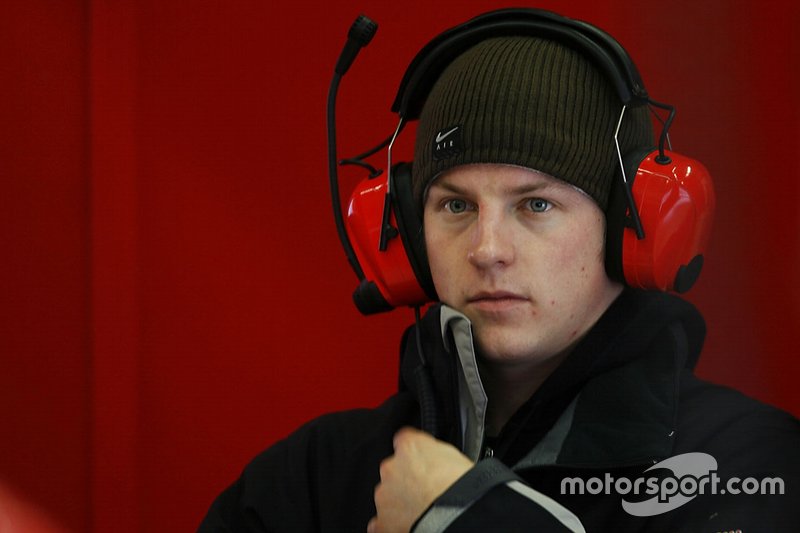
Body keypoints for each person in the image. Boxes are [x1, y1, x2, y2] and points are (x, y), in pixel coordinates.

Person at [199, 8, 800, 532]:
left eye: (536, 205)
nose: (487, 250)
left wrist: (472, 522)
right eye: (456, 206)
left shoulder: (749, 466)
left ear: (632, 231)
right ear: (405, 235)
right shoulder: (310, 480)